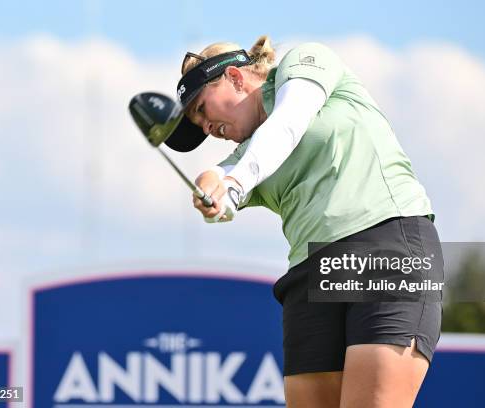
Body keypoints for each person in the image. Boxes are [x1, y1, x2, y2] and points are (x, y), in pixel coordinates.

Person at [164, 35, 443, 408]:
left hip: (386, 246)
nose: (204, 127)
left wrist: (233, 182)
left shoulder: (305, 62)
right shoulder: (247, 155)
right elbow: (217, 175)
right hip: (314, 276)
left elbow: (289, 122)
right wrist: (211, 187)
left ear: (234, 77)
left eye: (201, 108)